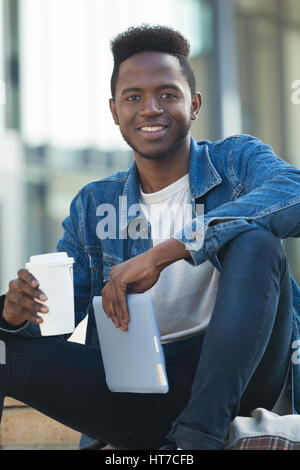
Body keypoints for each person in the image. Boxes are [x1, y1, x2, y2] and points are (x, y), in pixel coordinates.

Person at [0, 24, 300, 451]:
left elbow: (294, 192)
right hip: (141, 389)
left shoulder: (236, 160)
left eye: (168, 94)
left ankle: (197, 440)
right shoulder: (93, 204)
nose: (150, 108)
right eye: (134, 97)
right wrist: (15, 316)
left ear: (194, 104)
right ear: (114, 110)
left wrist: (164, 253)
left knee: (256, 243)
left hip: (236, 377)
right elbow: (53, 326)